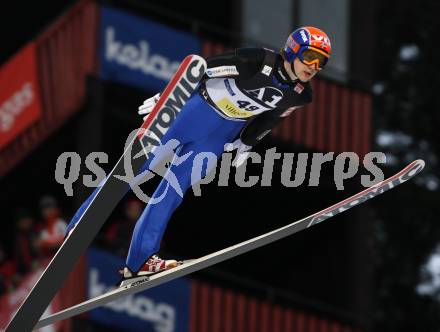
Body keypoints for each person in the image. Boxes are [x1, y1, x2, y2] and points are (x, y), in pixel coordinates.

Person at [66, 26, 332, 281]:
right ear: (293, 50)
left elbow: (272, 118)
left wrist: (247, 142)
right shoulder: (258, 60)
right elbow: (202, 69)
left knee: (173, 191)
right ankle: (82, 222)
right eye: (310, 57)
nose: (313, 67)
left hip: (220, 135)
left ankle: (140, 261)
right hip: (194, 113)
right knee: (138, 167)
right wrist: (166, 99)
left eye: (321, 63)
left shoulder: (301, 95)